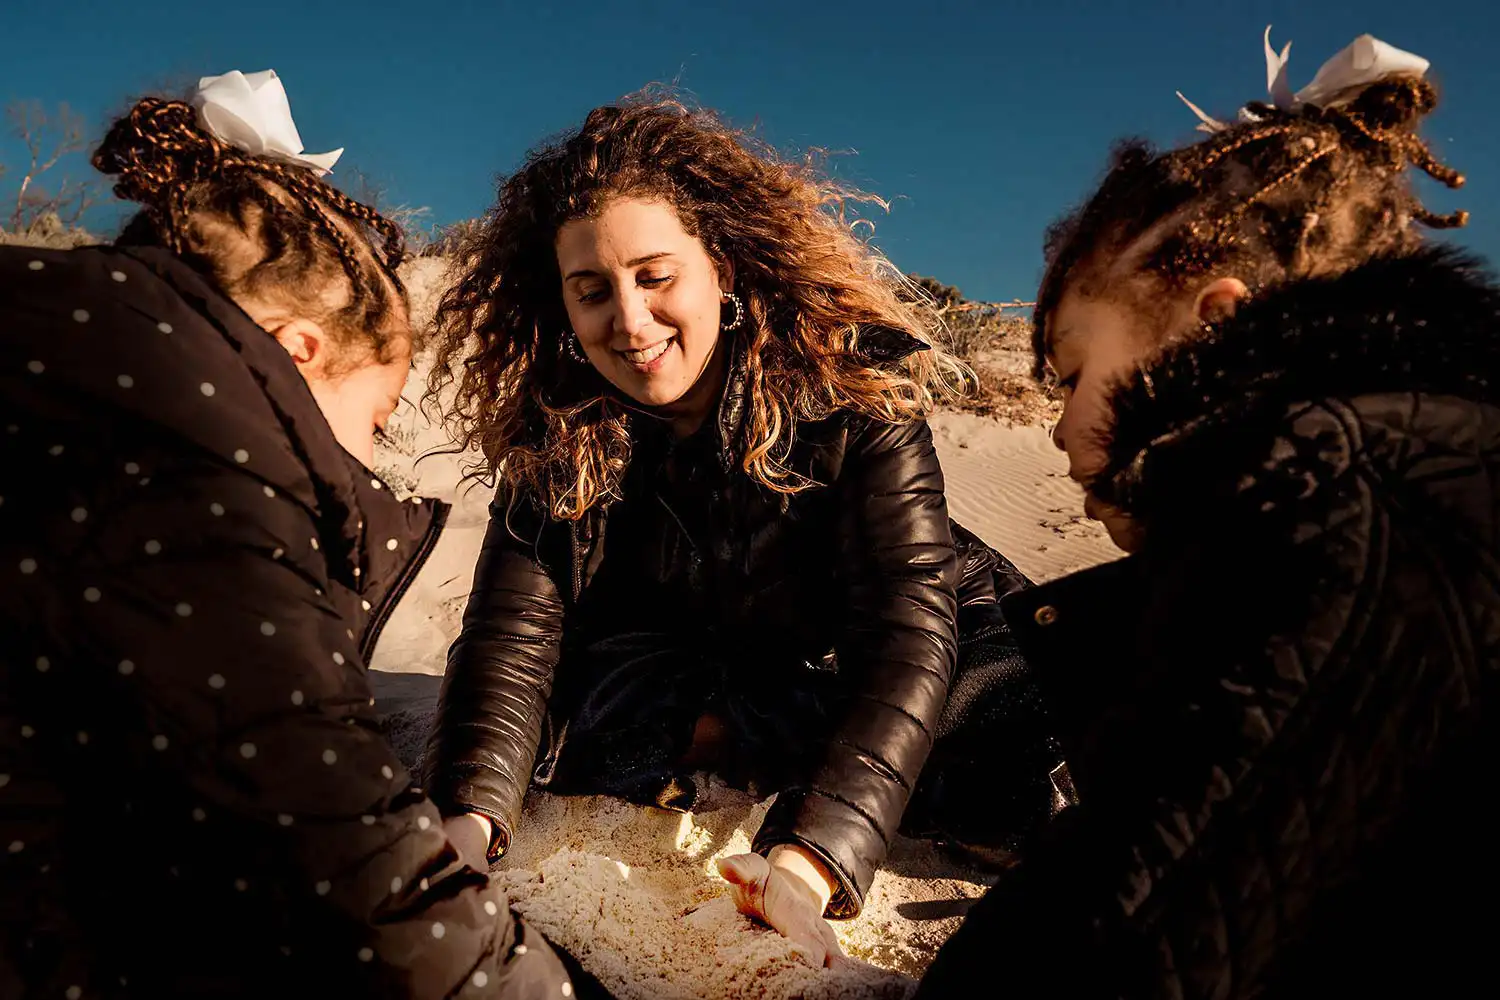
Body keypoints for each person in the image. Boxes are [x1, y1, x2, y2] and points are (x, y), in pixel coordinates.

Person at [916, 30, 1497, 997]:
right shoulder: (1386, 460)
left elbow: (1141, 911)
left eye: (1070, 377)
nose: (1058, 432)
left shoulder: (1349, 509)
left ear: (1215, 325)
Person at [421, 94, 1061, 967]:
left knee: (1020, 753)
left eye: (655, 276)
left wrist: (809, 861)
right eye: (592, 291)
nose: (630, 320)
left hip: (929, 635)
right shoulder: (557, 429)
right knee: (613, 727)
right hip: (709, 653)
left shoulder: (853, 391)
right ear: (562, 308)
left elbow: (907, 635)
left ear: (720, 266)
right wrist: (465, 824)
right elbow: (511, 634)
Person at [0, 71, 599, 998]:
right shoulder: (190, 468)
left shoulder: (77, 370)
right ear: (300, 351)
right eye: (379, 420)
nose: (370, 470)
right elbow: (348, 852)